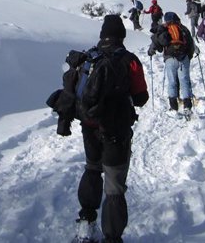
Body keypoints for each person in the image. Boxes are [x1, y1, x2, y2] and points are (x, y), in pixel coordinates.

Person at [47, 14, 149, 243]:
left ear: (102, 35)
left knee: (92, 169)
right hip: (116, 131)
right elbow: (141, 97)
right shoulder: (129, 60)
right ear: (122, 36)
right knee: (114, 185)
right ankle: (111, 238)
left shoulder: (88, 57)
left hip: (90, 126)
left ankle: (85, 223)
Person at [148, 12, 195, 115]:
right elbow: (191, 44)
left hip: (170, 58)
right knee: (184, 81)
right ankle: (187, 106)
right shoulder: (183, 28)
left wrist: (151, 51)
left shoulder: (164, 29)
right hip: (183, 58)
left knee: (172, 82)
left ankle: (173, 107)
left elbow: (155, 43)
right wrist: (188, 57)